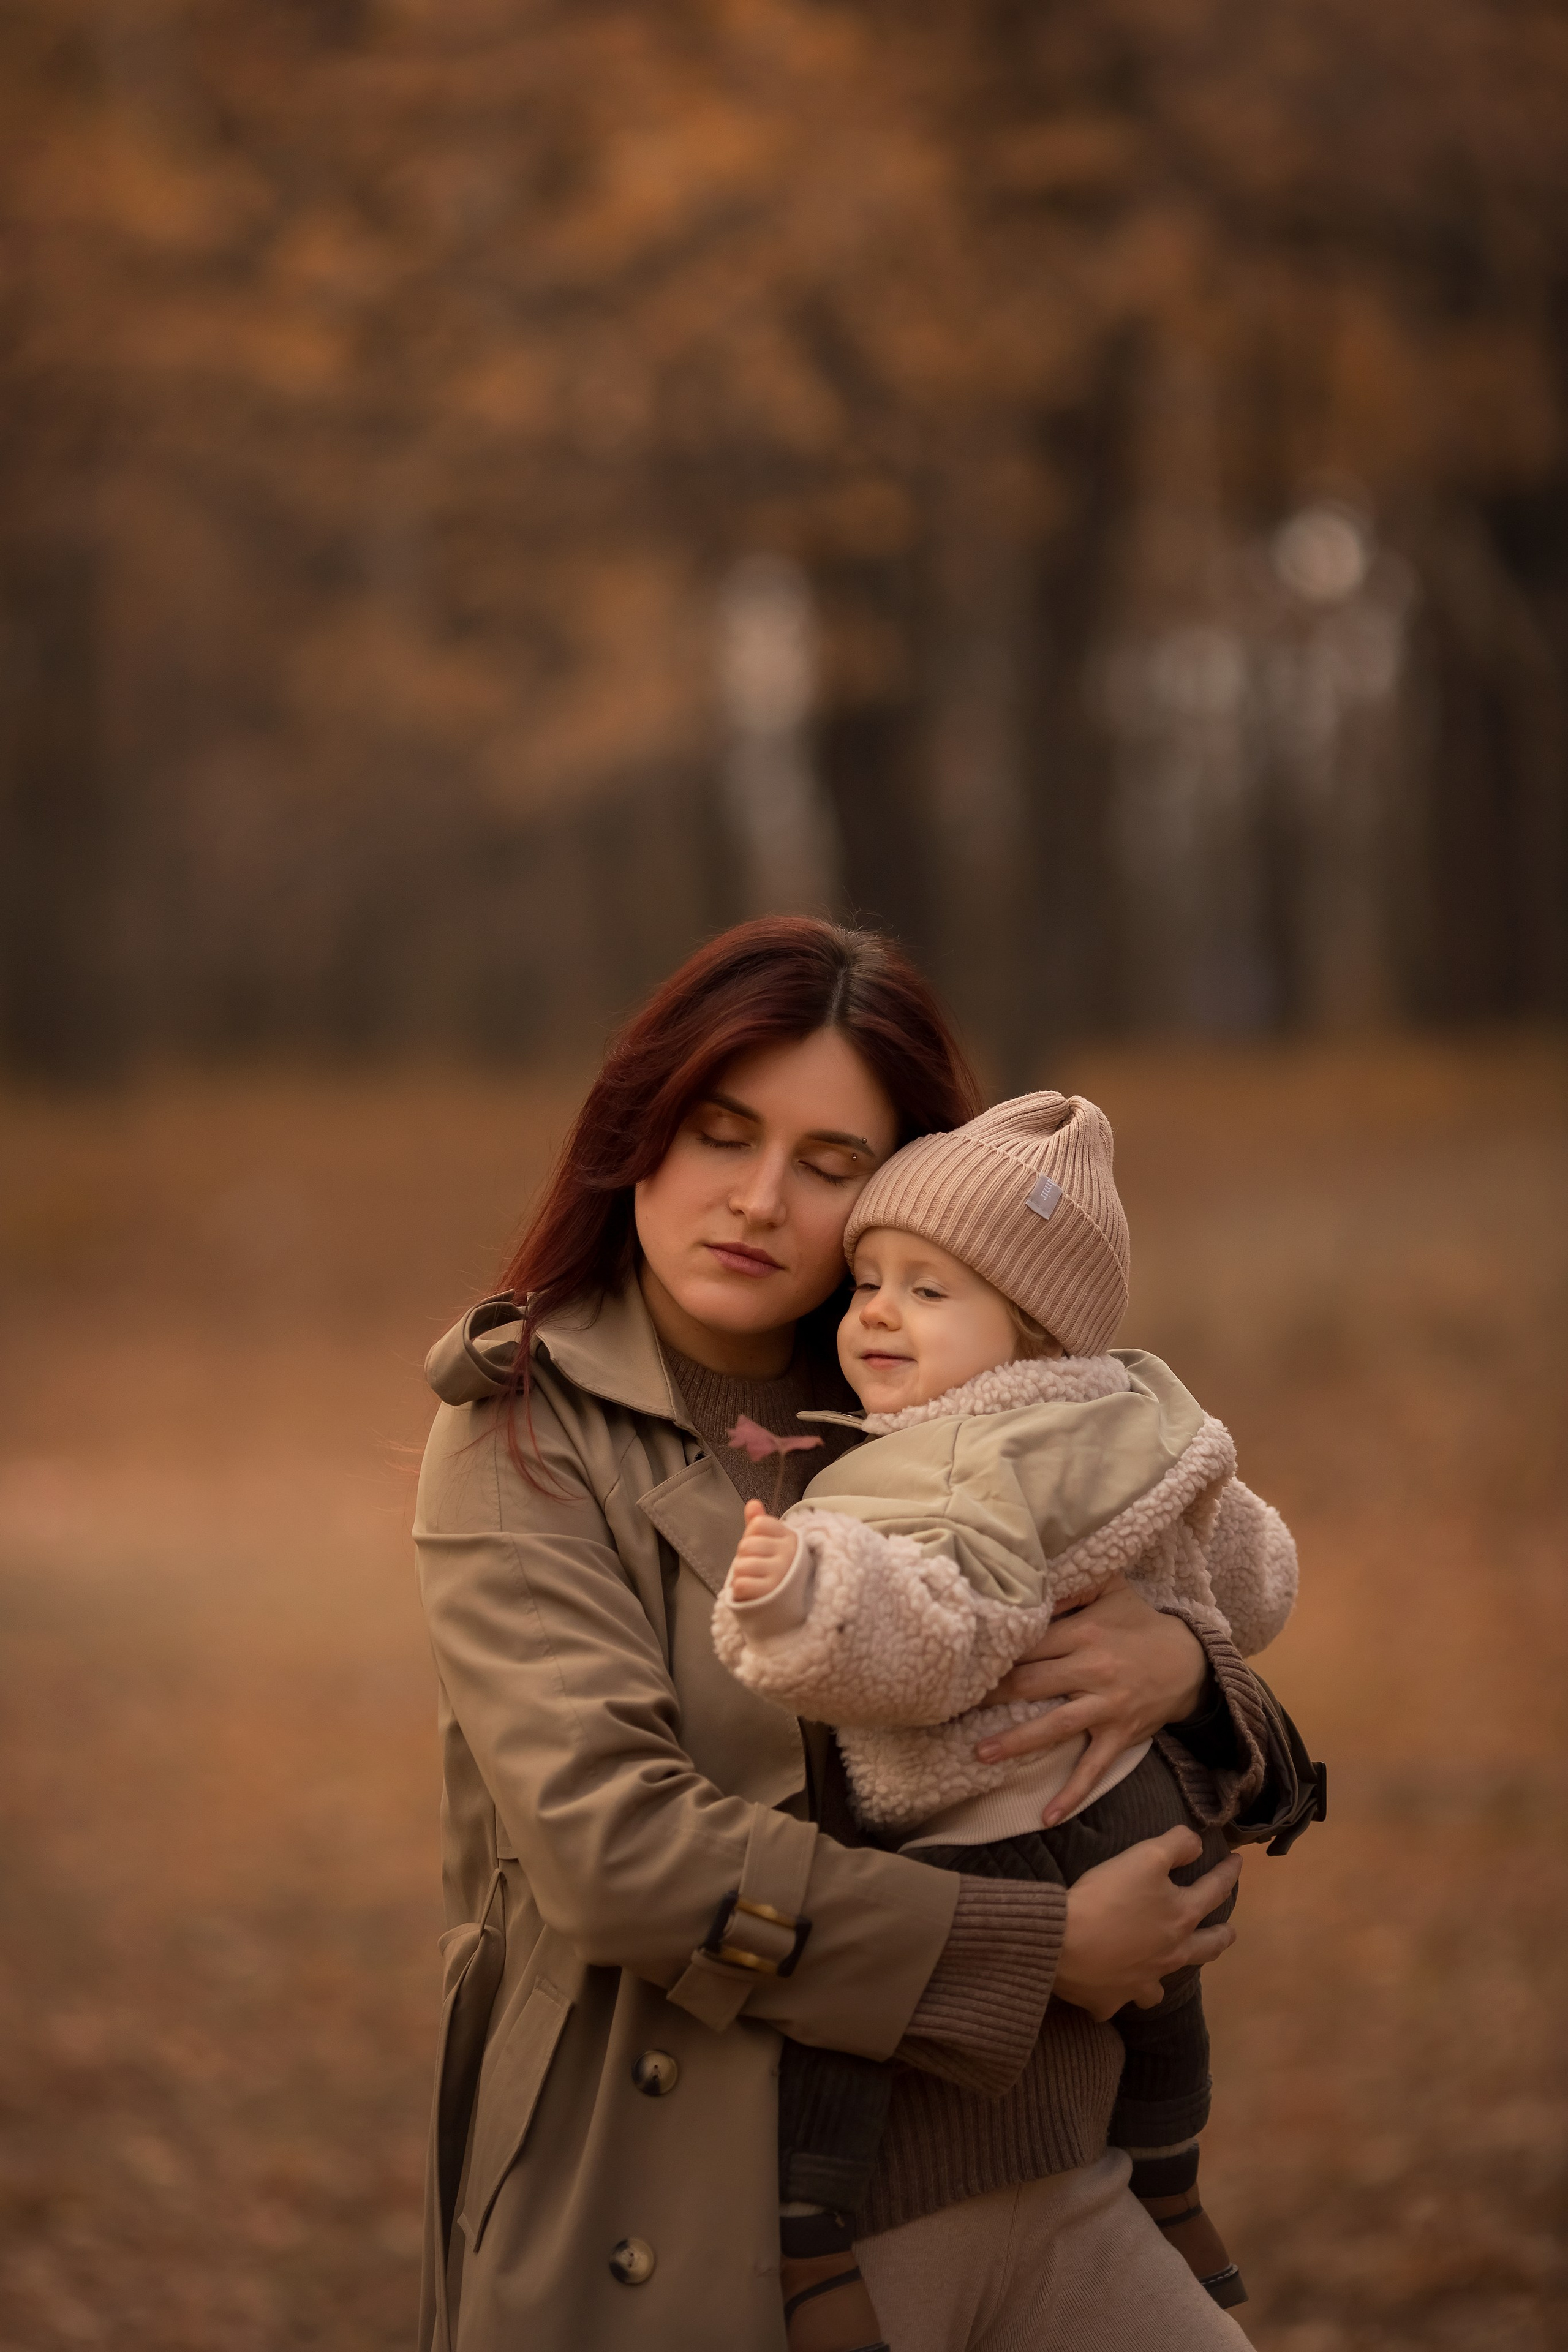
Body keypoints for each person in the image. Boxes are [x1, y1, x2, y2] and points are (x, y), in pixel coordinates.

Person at [413, 916, 1298, 2352]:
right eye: (720, 1134)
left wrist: (1188, 1677)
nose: (759, 1201)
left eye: (829, 1167)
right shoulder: (520, 1435)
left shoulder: (947, 1390)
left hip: (1062, 2184)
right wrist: (1031, 1947)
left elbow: (1207, 1600)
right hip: (720, 2223)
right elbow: (613, 1848)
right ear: (640, 1132)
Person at [714, 1090, 1313, 2348]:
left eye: (927, 1291)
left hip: (1010, 1812)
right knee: (1171, 1980)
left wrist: (801, 1598)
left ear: (1032, 1331)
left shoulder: (948, 1461)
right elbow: (1254, 1568)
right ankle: (1170, 2178)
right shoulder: (1138, 1417)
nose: (874, 1310)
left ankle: (807, 2232)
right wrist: (1194, 1629)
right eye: (869, 1278)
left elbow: (932, 1633)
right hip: (1158, 1813)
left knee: (848, 2017)